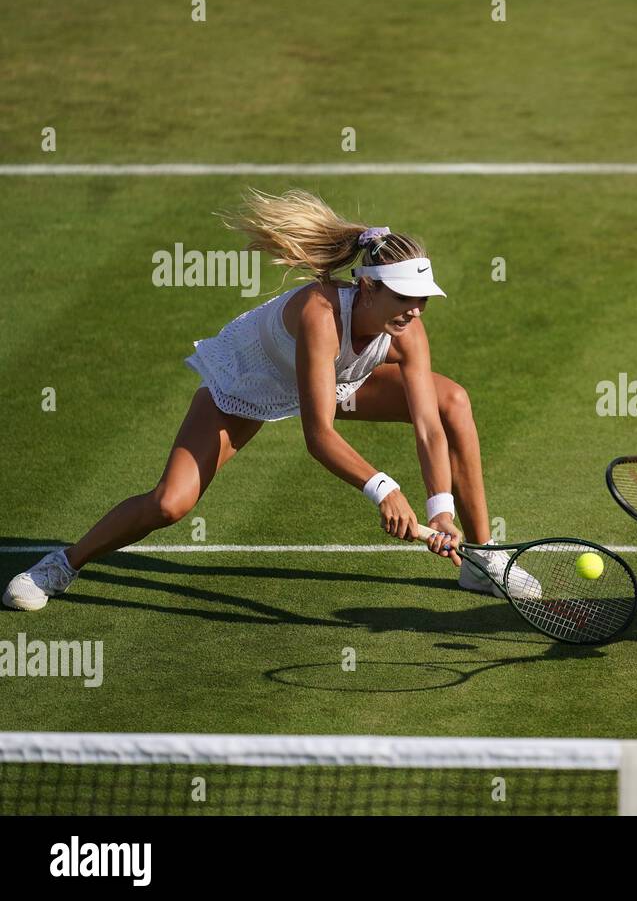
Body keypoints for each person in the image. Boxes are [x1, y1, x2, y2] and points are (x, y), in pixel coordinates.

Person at [4, 189, 533, 611]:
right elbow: (318, 433)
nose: (415, 311)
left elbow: (427, 428)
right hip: (251, 384)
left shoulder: (407, 331)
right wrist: (385, 489)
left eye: (422, 301)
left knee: (452, 402)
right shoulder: (319, 316)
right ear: (367, 287)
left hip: (335, 381)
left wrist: (440, 511)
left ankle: (480, 561)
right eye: (404, 299)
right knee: (171, 503)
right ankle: (63, 564)